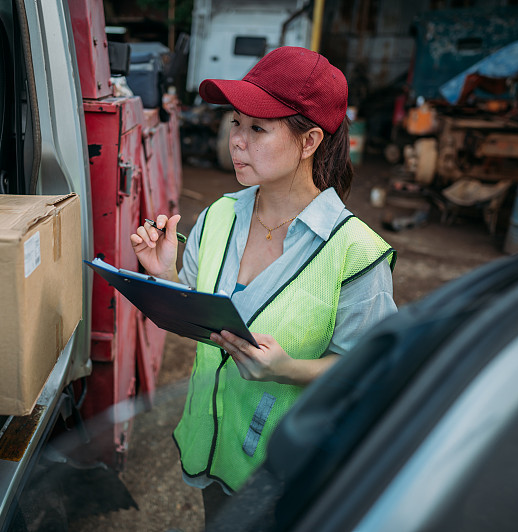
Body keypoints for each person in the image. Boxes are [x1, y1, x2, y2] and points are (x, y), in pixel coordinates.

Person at [130, 46, 397, 526]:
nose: (237, 140)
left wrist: (289, 369)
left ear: (310, 139)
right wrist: (165, 276)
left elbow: (374, 371)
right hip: (214, 455)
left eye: (258, 128)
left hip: (289, 478)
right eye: (235, 122)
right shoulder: (218, 216)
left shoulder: (355, 252)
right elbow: (201, 321)